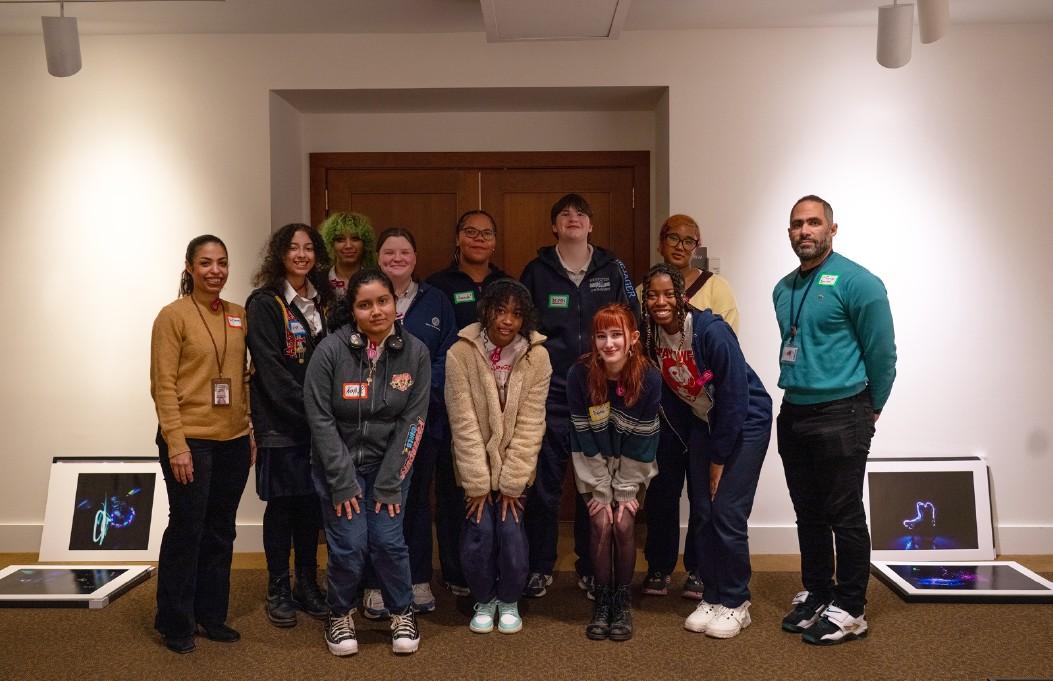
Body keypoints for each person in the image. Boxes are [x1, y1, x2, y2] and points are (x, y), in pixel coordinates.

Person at [773, 194, 897, 645]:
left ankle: (851, 607)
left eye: (813, 222)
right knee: (807, 512)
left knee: (843, 513)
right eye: (797, 224)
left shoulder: (859, 282)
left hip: (843, 411)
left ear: (832, 228)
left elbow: (882, 354)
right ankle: (819, 593)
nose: (804, 231)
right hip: (794, 411)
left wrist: (871, 408)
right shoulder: (783, 288)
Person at [519, 193, 641, 600]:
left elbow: (632, 320)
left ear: (591, 225)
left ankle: (592, 567)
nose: (573, 218)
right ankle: (540, 566)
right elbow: (522, 329)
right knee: (545, 487)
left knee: (596, 485)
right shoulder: (536, 271)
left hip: (600, 393)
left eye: (581, 214)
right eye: (564, 214)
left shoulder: (613, 268)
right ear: (554, 226)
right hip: (550, 394)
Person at [641, 263, 772, 639]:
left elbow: (734, 396)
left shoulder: (710, 331)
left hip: (744, 421)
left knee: (726, 510)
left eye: (668, 294)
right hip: (705, 422)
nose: (661, 302)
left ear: (682, 297)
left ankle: (736, 600)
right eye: (653, 295)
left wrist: (718, 458)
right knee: (702, 511)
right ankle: (713, 595)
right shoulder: (651, 336)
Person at [304, 269, 430, 656]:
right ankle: (339, 613)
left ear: (395, 303)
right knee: (350, 545)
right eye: (365, 304)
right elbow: (319, 419)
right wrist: (342, 481)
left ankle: (402, 611)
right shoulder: (330, 351)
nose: (376, 311)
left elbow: (413, 424)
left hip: (388, 468)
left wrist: (391, 481)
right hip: (338, 467)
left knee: (389, 541)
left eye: (382, 301)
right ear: (353, 310)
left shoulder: (416, 353)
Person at [149, 235, 254, 654]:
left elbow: (243, 377)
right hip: (190, 440)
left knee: (221, 530)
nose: (216, 271)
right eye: (206, 263)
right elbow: (162, 385)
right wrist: (176, 444)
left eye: (222, 262)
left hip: (233, 440)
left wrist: (249, 429)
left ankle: (211, 615)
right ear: (190, 267)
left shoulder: (238, 314)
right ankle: (175, 621)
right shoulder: (172, 316)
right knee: (187, 528)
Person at [641, 213, 741, 600]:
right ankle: (659, 566)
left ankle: (698, 569)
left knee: (702, 496)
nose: (681, 246)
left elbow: (724, 357)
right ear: (660, 242)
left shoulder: (717, 289)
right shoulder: (644, 290)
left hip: (703, 413)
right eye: (673, 238)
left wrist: (699, 383)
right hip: (665, 416)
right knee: (662, 494)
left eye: (689, 240)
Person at [445, 279, 551, 634]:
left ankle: (508, 600)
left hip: (516, 466)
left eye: (516, 314)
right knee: (481, 529)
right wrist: (478, 483)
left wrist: (511, 482)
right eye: (500, 310)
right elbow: (463, 423)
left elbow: (531, 423)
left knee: (510, 529)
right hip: (474, 463)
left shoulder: (537, 356)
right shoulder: (460, 353)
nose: (507, 320)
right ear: (486, 310)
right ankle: (484, 598)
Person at [367, 226, 459, 616]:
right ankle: (375, 584)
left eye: (404, 252)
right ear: (378, 258)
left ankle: (418, 578)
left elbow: (447, 357)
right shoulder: (367, 296)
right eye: (389, 252)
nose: (397, 259)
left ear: (415, 258)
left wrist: (414, 396)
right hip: (373, 425)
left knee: (418, 502)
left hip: (423, 422)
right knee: (379, 502)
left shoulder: (436, 301)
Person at [245, 223, 332, 627]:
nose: (301, 255)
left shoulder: (323, 302)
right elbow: (270, 371)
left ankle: (307, 583)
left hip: (319, 427)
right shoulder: (265, 303)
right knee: (282, 507)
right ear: (280, 254)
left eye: (308, 248)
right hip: (281, 425)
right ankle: (278, 587)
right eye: (293, 248)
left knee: (311, 507)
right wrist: (314, 413)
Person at [569, 304, 660, 641]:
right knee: (600, 522)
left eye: (616, 335)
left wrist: (623, 491)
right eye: (601, 336)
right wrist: (600, 488)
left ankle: (621, 601)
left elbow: (644, 439)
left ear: (632, 338)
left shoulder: (649, 377)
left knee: (622, 523)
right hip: (591, 463)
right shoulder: (579, 375)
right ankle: (602, 599)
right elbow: (581, 434)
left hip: (633, 465)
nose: (608, 343)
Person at [426, 209, 510, 332]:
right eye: (471, 232)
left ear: (494, 242)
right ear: (457, 239)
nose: (479, 238)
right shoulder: (437, 285)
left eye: (487, 233)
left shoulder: (508, 285)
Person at [319, 211, 377, 297]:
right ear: (330, 244)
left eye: (355, 239)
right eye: (340, 240)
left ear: (365, 243)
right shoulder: (318, 281)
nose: (348, 246)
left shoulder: (376, 280)